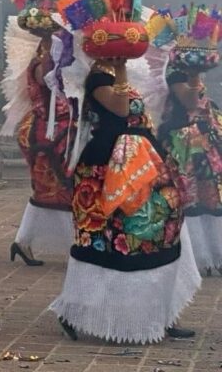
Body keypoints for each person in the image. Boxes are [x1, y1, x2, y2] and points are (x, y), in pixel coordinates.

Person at [51, 57, 199, 343]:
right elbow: (119, 109)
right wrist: (119, 68)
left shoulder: (123, 76)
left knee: (159, 237)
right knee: (109, 241)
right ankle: (77, 312)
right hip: (106, 170)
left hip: (145, 164)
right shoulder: (97, 78)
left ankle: (162, 316)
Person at [8, 34, 74, 266]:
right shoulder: (41, 64)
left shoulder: (54, 59)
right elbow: (52, 85)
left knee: (49, 190)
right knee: (57, 188)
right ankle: (73, 246)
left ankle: (23, 241)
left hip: (56, 130)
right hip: (45, 131)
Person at [158, 53, 222, 274]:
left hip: (205, 141)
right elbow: (190, 101)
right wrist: (195, 76)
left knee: (211, 197)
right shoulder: (174, 72)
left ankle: (216, 256)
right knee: (191, 198)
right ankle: (200, 258)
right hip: (185, 144)